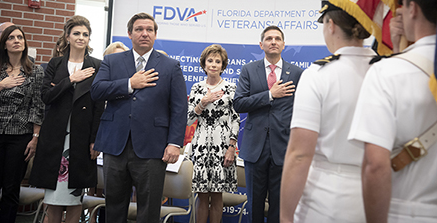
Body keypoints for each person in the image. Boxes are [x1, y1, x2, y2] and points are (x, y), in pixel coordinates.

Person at [348, 0, 437, 223]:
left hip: (408, 213)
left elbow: (375, 165)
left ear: (412, 9)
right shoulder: (396, 66)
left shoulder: (387, 73)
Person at [280, 0, 376, 223]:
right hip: (380, 195)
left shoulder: (318, 74)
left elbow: (300, 155)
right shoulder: (387, 70)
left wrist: (284, 215)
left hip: (327, 199)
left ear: (330, 25)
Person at [90, 12, 188, 223]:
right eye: (139, 29)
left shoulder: (171, 66)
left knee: (149, 209)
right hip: (115, 144)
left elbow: (179, 108)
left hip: (153, 147)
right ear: (129, 33)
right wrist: (129, 84)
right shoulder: (111, 61)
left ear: (155, 34)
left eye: (149, 30)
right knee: (114, 207)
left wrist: (174, 143)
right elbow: (96, 91)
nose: (144, 34)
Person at [29, 15, 104, 223]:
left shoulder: (97, 65)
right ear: (68, 37)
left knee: (75, 198)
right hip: (55, 138)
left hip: (81, 138)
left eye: (85, 34)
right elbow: (46, 97)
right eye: (77, 33)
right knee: (52, 198)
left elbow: (99, 106)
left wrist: (94, 139)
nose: (81, 37)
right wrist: (71, 79)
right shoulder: (55, 64)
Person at [233, 25, 303, 223]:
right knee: (254, 203)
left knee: (278, 204)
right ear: (261, 44)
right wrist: (270, 95)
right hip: (255, 148)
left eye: (277, 38)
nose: (273, 42)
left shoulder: (297, 73)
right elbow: (239, 103)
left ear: (283, 44)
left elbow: (301, 110)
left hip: (283, 147)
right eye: (269, 38)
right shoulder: (248, 70)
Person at [187, 44, 240, 223]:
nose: (214, 64)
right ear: (204, 64)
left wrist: (231, 147)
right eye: (210, 61)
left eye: (218, 61)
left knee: (217, 197)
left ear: (223, 66)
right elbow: (188, 119)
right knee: (202, 197)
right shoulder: (196, 88)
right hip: (201, 147)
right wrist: (203, 102)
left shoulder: (231, 88)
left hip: (223, 147)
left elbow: (235, 119)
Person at [0, 25, 44, 223]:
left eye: (20, 37)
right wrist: (0, 85)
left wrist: (35, 138)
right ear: (4, 44)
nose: (17, 40)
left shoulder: (35, 71)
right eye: (11, 38)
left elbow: (37, 107)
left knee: (10, 188)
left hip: (21, 136)